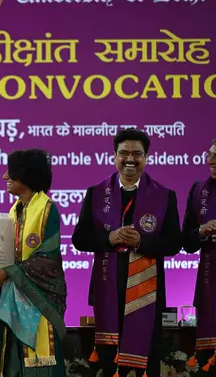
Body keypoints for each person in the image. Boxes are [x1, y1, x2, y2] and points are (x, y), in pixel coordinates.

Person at [72, 128, 182, 376]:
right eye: (124, 153)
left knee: (147, 361)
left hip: (147, 294)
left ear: (146, 157)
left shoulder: (165, 196)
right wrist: (109, 238)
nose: (130, 160)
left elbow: (175, 243)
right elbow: (79, 238)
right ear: (114, 155)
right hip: (107, 287)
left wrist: (142, 242)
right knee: (109, 363)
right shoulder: (97, 193)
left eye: (137, 154)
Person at [0, 149, 67, 377]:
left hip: (40, 301)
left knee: (39, 365)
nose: (4, 177)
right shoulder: (15, 209)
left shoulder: (47, 210)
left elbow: (47, 261)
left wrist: (7, 273)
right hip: (14, 301)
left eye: (10, 172)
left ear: (25, 175)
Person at [182, 139, 216, 371]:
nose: (211, 161)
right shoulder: (198, 189)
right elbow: (187, 241)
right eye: (210, 154)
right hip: (209, 283)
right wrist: (202, 231)